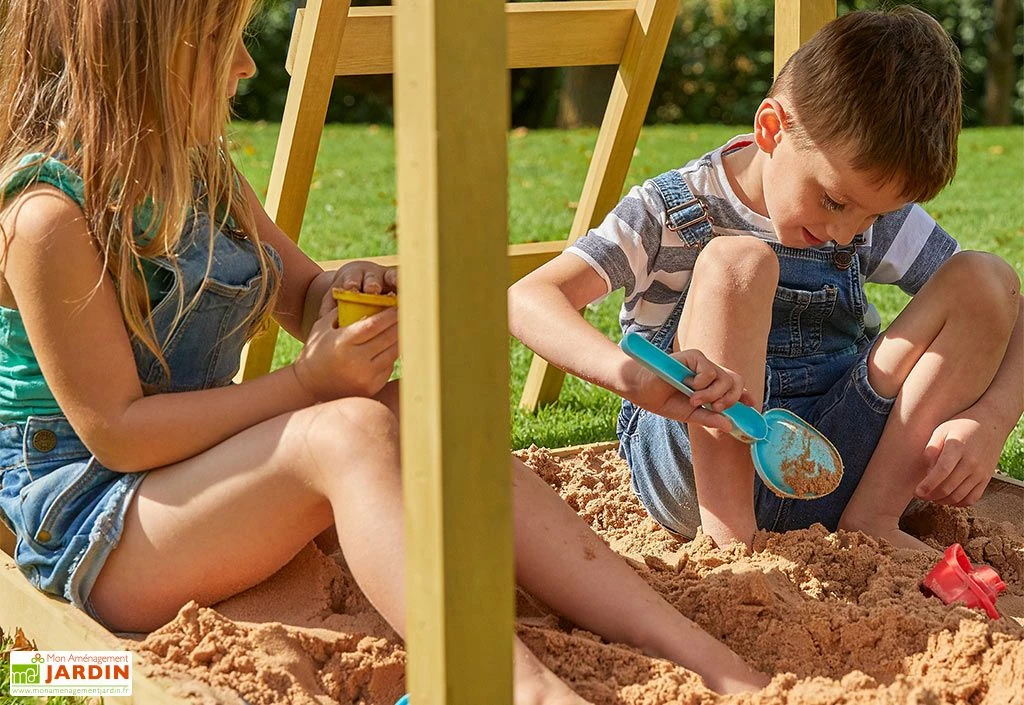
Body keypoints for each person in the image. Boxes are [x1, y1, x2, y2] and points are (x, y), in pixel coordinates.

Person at [0, 1, 769, 700]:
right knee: (347, 430)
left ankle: (681, 641)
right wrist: (309, 384)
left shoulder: (202, 168)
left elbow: (302, 292)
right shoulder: (47, 217)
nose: (246, 66)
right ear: (129, 61)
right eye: (217, 42)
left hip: (194, 482)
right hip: (98, 529)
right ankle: (513, 688)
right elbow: (120, 433)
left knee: (421, 414)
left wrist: (345, 290)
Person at [509, 6, 1023, 554]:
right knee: (740, 264)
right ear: (771, 128)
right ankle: (730, 542)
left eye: (873, 216)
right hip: (695, 472)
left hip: (838, 461)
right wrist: (630, 377)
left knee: (987, 279)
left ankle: (875, 518)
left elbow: (1003, 310)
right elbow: (528, 298)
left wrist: (990, 420)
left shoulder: (863, 209)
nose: (844, 232)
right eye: (834, 201)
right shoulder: (671, 210)